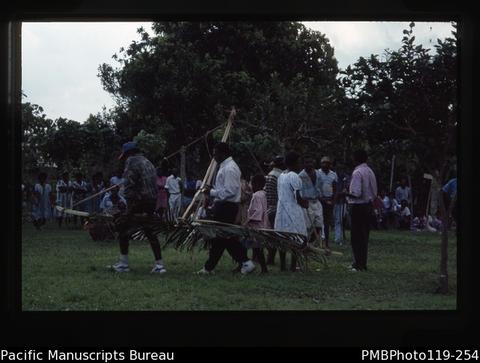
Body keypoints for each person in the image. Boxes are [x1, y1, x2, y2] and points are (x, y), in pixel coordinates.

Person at [197, 142, 255, 275]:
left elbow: (230, 191)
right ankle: (243, 262)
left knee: (222, 238)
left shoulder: (230, 168)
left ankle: (243, 262)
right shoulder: (226, 167)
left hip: (227, 206)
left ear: (223, 153)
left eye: (215, 153)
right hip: (224, 205)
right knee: (223, 238)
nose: (214, 156)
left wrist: (211, 192)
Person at [109, 141, 166, 274]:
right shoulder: (148, 162)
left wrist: (128, 208)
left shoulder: (131, 162)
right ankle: (159, 265)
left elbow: (130, 185)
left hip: (139, 201)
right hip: (151, 201)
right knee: (150, 231)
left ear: (128, 153)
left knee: (122, 226)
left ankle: (123, 264)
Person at [342, 149, 377, 272]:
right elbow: (374, 192)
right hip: (368, 205)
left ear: (355, 159)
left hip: (358, 206)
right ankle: (362, 263)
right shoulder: (370, 171)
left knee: (356, 236)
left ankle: (358, 264)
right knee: (364, 236)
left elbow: (356, 193)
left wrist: (345, 193)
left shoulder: (357, 172)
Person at [274, 151, 309, 272]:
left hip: (281, 209)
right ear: (293, 163)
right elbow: (298, 197)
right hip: (292, 210)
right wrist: (305, 203)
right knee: (295, 237)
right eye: (299, 161)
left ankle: (283, 265)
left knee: (283, 237)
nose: (300, 164)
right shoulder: (294, 176)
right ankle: (293, 266)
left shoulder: (281, 176)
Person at [244, 174, 270, 274]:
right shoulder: (263, 194)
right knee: (256, 248)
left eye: (251, 183)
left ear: (256, 184)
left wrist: (248, 221)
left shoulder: (256, 195)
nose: (250, 185)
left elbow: (258, 212)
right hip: (262, 224)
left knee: (255, 248)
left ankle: (263, 269)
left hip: (257, 226)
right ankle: (262, 268)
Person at [298, 155, 324, 248]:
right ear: (304, 164)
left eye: (311, 162)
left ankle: (311, 243)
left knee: (319, 224)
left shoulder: (318, 173)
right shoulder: (301, 176)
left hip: (316, 201)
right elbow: (299, 191)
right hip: (306, 203)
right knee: (307, 226)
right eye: (307, 162)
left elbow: (320, 187)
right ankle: (305, 244)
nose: (309, 164)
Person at [264, 156, 284, 265]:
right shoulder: (280, 176)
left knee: (271, 235)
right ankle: (270, 258)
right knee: (277, 235)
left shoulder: (269, 175)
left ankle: (270, 258)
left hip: (269, 207)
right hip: (277, 208)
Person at [317, 156, 338, 249]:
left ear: (330, 164)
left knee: (326, 223)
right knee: (317, 222)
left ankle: (326, 243)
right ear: (320, 164)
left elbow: (335, 188)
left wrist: (333, 201)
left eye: (327, 163)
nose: (325, 164)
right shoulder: (317, 173)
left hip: (329, 201)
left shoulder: (333, 174)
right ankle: (318, 242)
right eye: (323, 162)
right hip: (319, 200)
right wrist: (321, 199)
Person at [333, 164, 349, 245]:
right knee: (337, 220)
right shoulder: (333, 176)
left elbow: (347, 188)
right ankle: (338, 237)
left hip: (343, 202)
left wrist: (345, 191)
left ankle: (341, 237)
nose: (341, 171)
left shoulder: (345, 178)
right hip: (336, 202)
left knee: (342, 220)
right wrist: (340, 193)